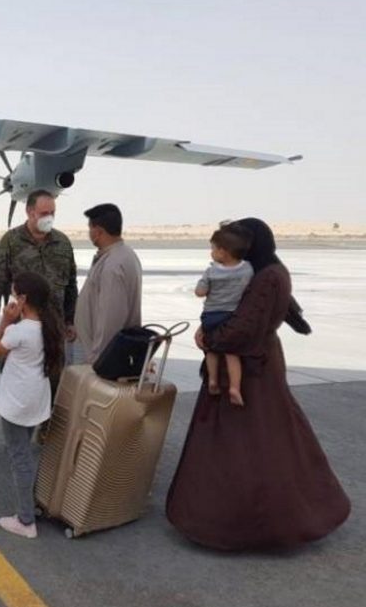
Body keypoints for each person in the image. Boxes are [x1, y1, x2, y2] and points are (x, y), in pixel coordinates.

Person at [166, 218, 350, 551]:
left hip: (251, 371)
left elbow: (244, 328)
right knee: (268, 439)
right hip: (253, 365)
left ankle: (252, 525)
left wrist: (211, 338)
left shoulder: (267, 277)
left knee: (251, 447)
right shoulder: (268, 271)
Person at [0, 189, 77, 385]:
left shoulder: (62, 243)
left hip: (53, 328)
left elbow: (71, 284)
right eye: (44, 213)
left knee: (52, 379)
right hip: (20, 325)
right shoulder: (11, 241)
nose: (49, 217)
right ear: (30, 212)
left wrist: (69, 320)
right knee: (18, 379)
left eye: (52, 213)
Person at [0, 272, 64, 539]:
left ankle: (25, 520)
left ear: (22, 299)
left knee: (19, 458)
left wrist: (5, 321)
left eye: (14, 294)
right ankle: (31, 505)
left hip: (16, 402)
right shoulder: (49, 328)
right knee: (26, 454)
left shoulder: (18, 331)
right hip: (36, 400)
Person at [74, 203, 142, 364]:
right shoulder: (123, 254)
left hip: (101, 357)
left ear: (98, 231)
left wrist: (98, 359)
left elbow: (110, 319)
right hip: (104, 353)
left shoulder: (113, 265)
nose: (89, 233)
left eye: (90, 228)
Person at [195, 222, 254, 406]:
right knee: (231, 353)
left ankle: (213, 380)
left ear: (222, 252)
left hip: (211, 316)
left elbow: (200, 292)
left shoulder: (211, 271)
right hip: (231, 316)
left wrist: (205, 284)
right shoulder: (247, 269)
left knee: (211, 349)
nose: (211, 252)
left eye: (213, 249)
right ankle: (235, 387)